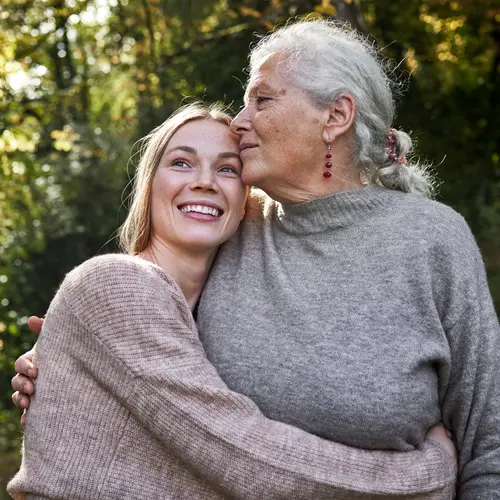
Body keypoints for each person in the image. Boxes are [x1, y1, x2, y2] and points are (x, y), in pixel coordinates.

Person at [14, 17, 499, 498]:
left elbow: (490, 439)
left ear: (335, 116)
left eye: (261, 100)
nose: (240, 121)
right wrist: (65, 351)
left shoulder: (430, 240)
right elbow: (144, 315)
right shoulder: (235, 225)